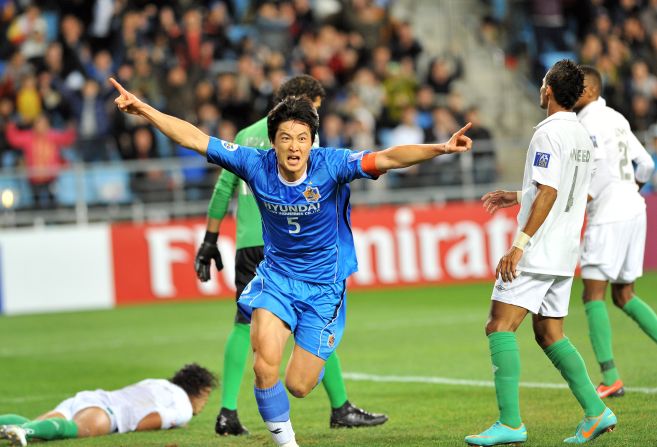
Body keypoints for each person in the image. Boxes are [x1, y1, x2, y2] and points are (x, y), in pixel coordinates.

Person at [109, 76, 472, 447]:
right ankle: (287, 443)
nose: (294, 146)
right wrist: (144, 109)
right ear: (273, 142)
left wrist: (440, 148)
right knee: (264, 362)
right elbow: (194, 138)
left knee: (299, 385)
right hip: (277, 278)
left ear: (312, 141)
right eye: (286, 138)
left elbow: (391, 157)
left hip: (324, 287)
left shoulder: (332, 165)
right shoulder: (255, 164)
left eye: (302, 138)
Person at [193, 74, 388, 436]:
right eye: (311, 108)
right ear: (294, 103)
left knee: (248, 327)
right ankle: (330, 406)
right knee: (265, 334)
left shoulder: (245, 137)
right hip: (274, 249)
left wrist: (210, 237)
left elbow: (223, 188)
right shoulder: (299, 145)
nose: (312, 119)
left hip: (251, 244)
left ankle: (229, 410)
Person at [465, 60, 616, 446]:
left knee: (499, 325)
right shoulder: (581, 134)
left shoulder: (547, 134)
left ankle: (511, 423)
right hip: (565, 250)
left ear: (547, 90)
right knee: (550, 333)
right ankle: (597, 412)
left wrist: (519, 245)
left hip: (540, 247)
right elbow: (566, 189)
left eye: (543, 82)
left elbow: (549, 191)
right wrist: (517, 195)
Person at [573, 65, 657, 399]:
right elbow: (647, 165)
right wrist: (630, 189)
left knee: (592, 294)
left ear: (591, 91)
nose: (571, 92)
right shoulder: (618, 118)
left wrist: (584, 200)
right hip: (635, 208)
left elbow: (599, 171)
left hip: (608, 215)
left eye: (576, 88)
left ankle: (610, 377)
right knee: (624, 295)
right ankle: (611, 376)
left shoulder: (587, 124)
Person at [0, 363, 216, 447]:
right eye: (206, 397)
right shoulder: (184, 409)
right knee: (74, 430)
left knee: (40, 425)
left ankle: (18, 428)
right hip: (106, 413)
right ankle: (22, 432)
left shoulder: (159, 382)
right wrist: (173, 423)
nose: (204, 404)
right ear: (200, 392)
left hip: (89, 399)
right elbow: (146, 422)